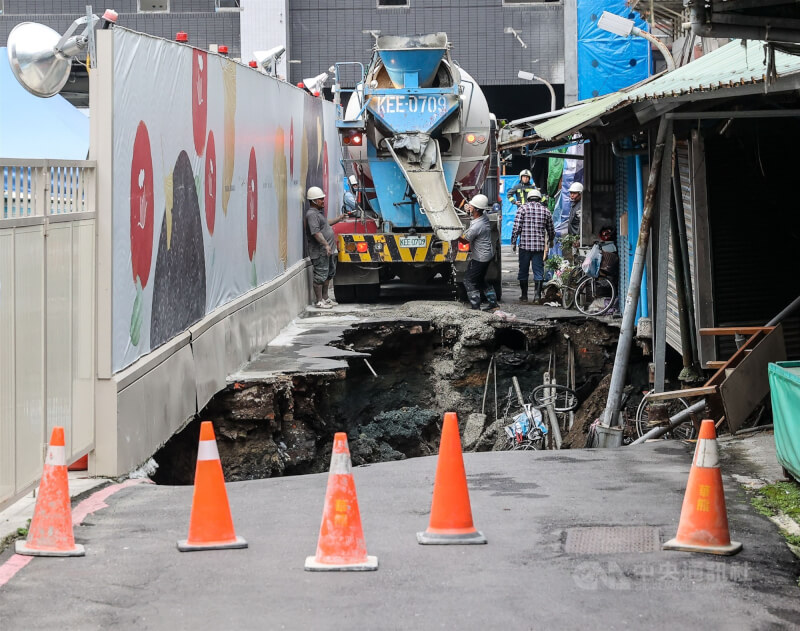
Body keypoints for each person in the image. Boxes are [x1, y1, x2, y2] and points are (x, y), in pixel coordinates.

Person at [511, 188, 555, 304]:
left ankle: (524, 296)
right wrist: (551, 240)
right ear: (539, 198)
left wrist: (513, 242)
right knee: (538, 271)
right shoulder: (545, 211)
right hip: (539, 247)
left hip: (524, 247)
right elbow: (551, 229)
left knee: (523, 271)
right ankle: (537, 297)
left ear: (528, 198)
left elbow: (516, 228)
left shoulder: (522, 209)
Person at [305, 186, 345, 309]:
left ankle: (325, 298)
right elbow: (316, 232)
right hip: (320, 252)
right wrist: (326, 245)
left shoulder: (318, 214)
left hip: (328, 251)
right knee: (320, 276)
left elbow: (326, 224)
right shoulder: (311, 215)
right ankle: (319, 301)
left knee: (328, 274)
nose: (323, 201)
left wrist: (339, 218)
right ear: (314, 201)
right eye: (321, 199)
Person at [460, 194, 499, 311]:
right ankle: (493, 305)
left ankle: (475, 307)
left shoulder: (477, 226)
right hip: (486, 255)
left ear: (476, 209)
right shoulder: (484, 216)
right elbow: (475, 214)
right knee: (481, 280)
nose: (469, 207)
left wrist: (453, 235)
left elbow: (464, 240)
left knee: (468, 280)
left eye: (471, 206)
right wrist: (469, 210)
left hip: (480, 258)